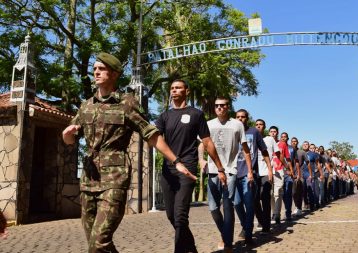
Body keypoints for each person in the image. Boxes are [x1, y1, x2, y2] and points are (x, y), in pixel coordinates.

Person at [62, 52, 195, 253]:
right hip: (88, 180)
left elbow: (151, 134)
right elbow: (70, 140)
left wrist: (176, 161)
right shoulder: (86, 105)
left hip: (114, 179)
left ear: (114, 74)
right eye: (95, 68)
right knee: (95, 243)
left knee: (99, 242)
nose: (96, 72)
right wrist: (67, 134)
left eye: (101, 68)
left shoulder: (127, 103)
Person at [155, 79, 226, 253]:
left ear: (187, 91)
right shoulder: (165, 116)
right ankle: (192, 248)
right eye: (172, 88)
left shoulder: (196, 114)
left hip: (187, 169)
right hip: (168, 170)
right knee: (172, 216)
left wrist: (220, 168)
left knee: (180, 216)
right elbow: (156, 138)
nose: (174, 90)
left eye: (178, 88)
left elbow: (207, 142)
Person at [198, 97, 251, 253]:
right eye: (217, 106)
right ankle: (224, 233)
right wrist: (201, 160)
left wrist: (249, 172)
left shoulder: (237, 124)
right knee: (213, 208)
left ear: (228, 107)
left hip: (230, 171)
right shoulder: (208, 124)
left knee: (228, 206)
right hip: (212, 171)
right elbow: (202, 144)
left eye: (223, 105)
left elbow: (245, 149)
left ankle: (227, 243)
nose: (220, 108)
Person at [234, 111, 272, 244]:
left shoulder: (254, 132)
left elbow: (264, 151)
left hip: (250, 173)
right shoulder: (232, 130)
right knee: (237, 203)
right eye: (237, 117)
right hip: (234, 172)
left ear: (247, 118)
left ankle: (248, 233)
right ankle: (246, 226)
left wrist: (270, 169)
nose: (240, 119)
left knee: (249, 204)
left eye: (242, 117)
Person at [254, 119, 277, 233]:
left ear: (264, 127)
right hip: (254, 173)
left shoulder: (269, 139)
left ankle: (266, 226)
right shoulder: (251, 137)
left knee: (265, 198)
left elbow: (277, 154)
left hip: (266, 173)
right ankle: (261, 220)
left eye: (261, 124)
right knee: (254, 199)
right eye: (256, 124)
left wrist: (285, 167)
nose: (258, 126)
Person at [278, 132, 294, 221]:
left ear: (288, 138)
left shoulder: (291, 149)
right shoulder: (278, 145)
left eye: (285, 137)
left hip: (288, 173)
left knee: (288, 193)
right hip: (279, 172)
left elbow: (293, 161)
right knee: (281, 194)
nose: (283, 138)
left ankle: (288, 213)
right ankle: (277, 213)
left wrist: (292, 171)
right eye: (282, 137)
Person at [291, 137, 304, 216]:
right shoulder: (288, 150)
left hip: (299, 175)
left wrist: (300, 174)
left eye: (295, 141)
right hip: (289, 174)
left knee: (298, 192)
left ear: (297, 142)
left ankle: (299, 208)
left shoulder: (301, 152)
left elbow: (307, 163)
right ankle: (291, 209)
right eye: (292, 141)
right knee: (292, 193)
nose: (294, 142)